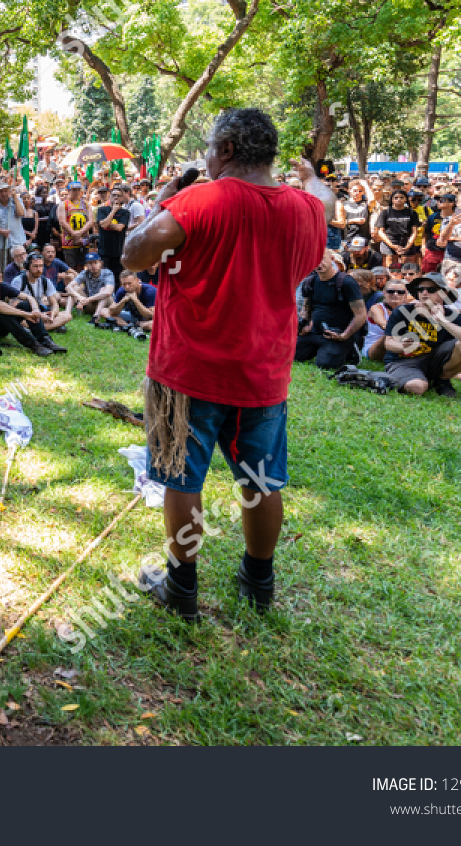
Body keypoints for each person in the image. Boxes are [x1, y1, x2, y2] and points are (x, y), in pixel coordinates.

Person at [120, 107, 331, 621]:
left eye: (211, 148)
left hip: (186, 371)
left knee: (181, 479)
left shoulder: (200, 199)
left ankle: (181, 587)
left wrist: (164, 200)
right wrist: (313, 179)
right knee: (262, 482)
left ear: (228, 150)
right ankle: (259, 582)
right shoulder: (307, 209)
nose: (207, 158)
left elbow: (132, 254)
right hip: (263, 374)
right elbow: (324, 199)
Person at [382, 272, 461, 397]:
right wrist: (402, 346)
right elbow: (388, 343)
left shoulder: (452, 315)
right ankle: (416, 378)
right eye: (420, 289)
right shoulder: (403, 311)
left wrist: (442, 321)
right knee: (417, 388)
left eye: (431, 289)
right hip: (402, 361)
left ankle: (442, 379)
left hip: (436, 360)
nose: (424, 293)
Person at [0, 261, 59, 356]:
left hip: (1, 328)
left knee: (26, 305)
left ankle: (45, 340)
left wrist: (35, 310)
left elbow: (28, 297)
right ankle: (34, 344)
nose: (0, 275)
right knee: (0, 309)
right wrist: (26, 314)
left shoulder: (1, 286)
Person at [294, 250, 367, 369]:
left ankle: (350, 350)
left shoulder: (346, 282)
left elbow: (361, 315)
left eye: (322, 259)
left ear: (332, 259)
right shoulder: (310, 282)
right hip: (315, 332)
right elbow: (305, 309)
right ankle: (318, 349)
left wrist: (344, 335)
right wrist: (304, 326)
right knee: (288, 354)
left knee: (326, 364)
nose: (318, 263)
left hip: (339, 334)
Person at [18, 250, 71, 333]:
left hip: (39, 313)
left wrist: (53, 314)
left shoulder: (45, 281)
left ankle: (35, 328)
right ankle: (49, 326)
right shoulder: (19, 281)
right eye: (35, 266)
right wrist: (36, 315)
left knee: (67, 315)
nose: (39, 269)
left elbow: (54, 303)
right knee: (19, 320)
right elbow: (13, 305)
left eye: (41, 266)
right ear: (28, 267)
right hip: (24, 314)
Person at [100, 269, 157, 335]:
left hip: (149, 319)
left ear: (137, 281)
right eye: (124, 284)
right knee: (104, 311)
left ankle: (132, 325)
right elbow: (111, 311)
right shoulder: (122, 291)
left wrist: (136, 300)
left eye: (129, 283)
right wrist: (123, 301)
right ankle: (127, 325)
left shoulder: (150, 292)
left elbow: (150, 315)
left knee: (150, 325)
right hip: (133, 317)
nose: (127, 287)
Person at [64, 251, 116, 319]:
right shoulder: (84, 273)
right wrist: (80, 297)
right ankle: (67, 314)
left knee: (104, 290)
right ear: (86, 266)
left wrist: (87, 300)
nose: (93, 266)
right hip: (89, 304)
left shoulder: (108, 273)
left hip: (105, 306)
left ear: (100, 263)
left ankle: (96, 317)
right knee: (75, 288)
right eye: (90, 264)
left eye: (95, 263)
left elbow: (108, 292)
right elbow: (68, 287)